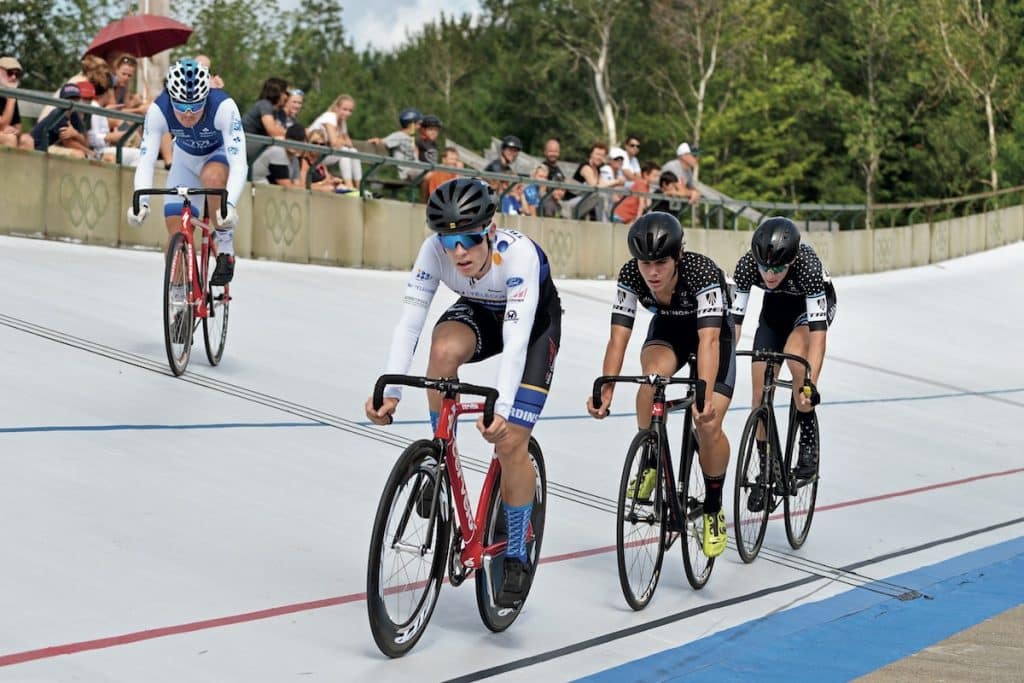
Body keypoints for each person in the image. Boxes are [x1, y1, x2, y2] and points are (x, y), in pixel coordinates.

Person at [365, 177, 562, 608]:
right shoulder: (434, 252)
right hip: (477, 311)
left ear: (490, 230)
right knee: (441, 352)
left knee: (511, 442)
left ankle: (514, 552)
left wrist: (504, 409)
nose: (459, 252)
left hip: (529, 328)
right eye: (448, 240)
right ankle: (440, 454)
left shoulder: (519, 256)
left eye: (469, 239)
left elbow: (514, 340)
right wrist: (391, 387)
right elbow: (410, 322)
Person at [586, 212, 735, 558]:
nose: (652, 272)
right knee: (650, 381)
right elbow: (618, 338)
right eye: (645, 263)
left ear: (678, 257)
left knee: (708, 423)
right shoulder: (630, 275)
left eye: (661, 263)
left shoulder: (702, 273)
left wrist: (704, 392)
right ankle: (651, 459)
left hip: (712, 337)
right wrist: (606, 388)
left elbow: (709, 342)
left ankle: (712, 507)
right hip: (668, 332)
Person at [730, 217, 837, 507]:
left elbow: (817, 337)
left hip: (808, 314)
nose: (769, 274)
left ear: (791, 261)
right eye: (764, 267)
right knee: (758, 394)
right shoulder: (747, 266)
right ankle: (766, 468)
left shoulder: (809, 268)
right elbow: (734, 325)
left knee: (796, 362)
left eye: (777, 268)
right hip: (774, 315)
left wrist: (810, 383)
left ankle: (808, 438)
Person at [127, 59, 247, 286]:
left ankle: (224, 246)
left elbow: (239, 163)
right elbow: (146, 160)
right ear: (171, 97)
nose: (189, 114)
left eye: (196, 106)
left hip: (216, 154)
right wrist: (140, 200)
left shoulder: (224, 106)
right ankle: (180, 297)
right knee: (175, 234)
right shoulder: (158, 109)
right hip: (184, 160)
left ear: (207, 96)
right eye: (181, 106)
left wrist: (229, 205)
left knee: (211, 178)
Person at [308, 94, 361, 190]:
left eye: (350, 111)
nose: (347, 113)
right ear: (336, 108)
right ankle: (349, 185)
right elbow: (334, 143)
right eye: (344, 109)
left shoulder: (342, 122)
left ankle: (359, 187)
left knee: (353, 151)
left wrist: (341, 139)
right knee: (344, 151)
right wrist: (341, 139)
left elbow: (350, 144)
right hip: (312, 155)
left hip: (323, 154)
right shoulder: (330, 117)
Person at [30, 82, 94, 158]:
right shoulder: (59, 114)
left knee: (80, 153)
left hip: (50, 147)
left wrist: (76, 134)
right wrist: (90, 153)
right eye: (69, 99)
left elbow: (86, 141)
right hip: (37, 148)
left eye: (75, 99)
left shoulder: (74, 114)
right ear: (61, 100)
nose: (72, 102)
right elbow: (68, 142)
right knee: (78, 154)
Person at [242, 77, 288, 163]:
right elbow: (273, 131)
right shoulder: (265, 105)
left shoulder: (275, 112)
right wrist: (293, 134)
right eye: (285, 93)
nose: (287, 97)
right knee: (282, 146)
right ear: (278, 93)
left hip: (254, 143)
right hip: (245, 143)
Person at [0, 56, 35, 150]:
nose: (14, 77)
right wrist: (11, 98)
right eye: (10, 73)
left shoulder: (10, 94)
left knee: (27, 140)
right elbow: (2, 126)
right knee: (9, 138)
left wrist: (15, 131)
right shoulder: (11, 96)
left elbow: (18, 127)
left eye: (17, 74)